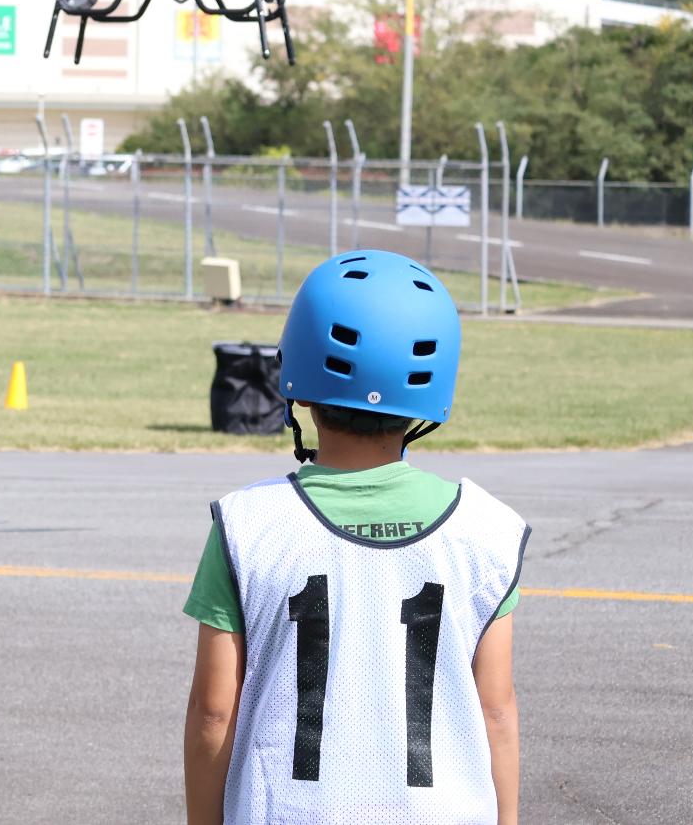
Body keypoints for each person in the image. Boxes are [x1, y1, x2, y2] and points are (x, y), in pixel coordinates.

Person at [182, 250, 528, 825]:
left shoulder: (247, 524)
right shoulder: (485, 530)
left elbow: (215, 713)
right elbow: (496, 711)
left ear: (299, 383)